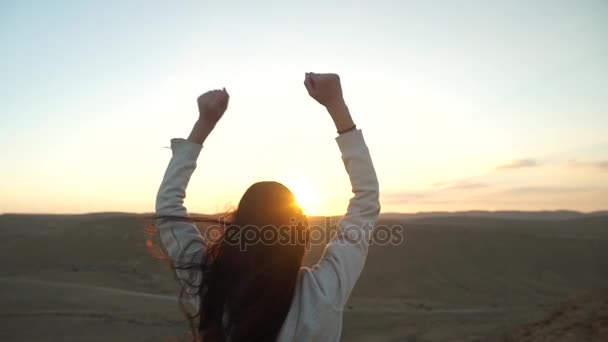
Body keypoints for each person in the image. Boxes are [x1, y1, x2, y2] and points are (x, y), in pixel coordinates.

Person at [155, 72, 380, 342]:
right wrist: (337, 105)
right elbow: (366, 200)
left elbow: (168, 208)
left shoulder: (210, 289)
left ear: (237, 230)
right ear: (301, 237)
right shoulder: (323, 291)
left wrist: (203, 124)